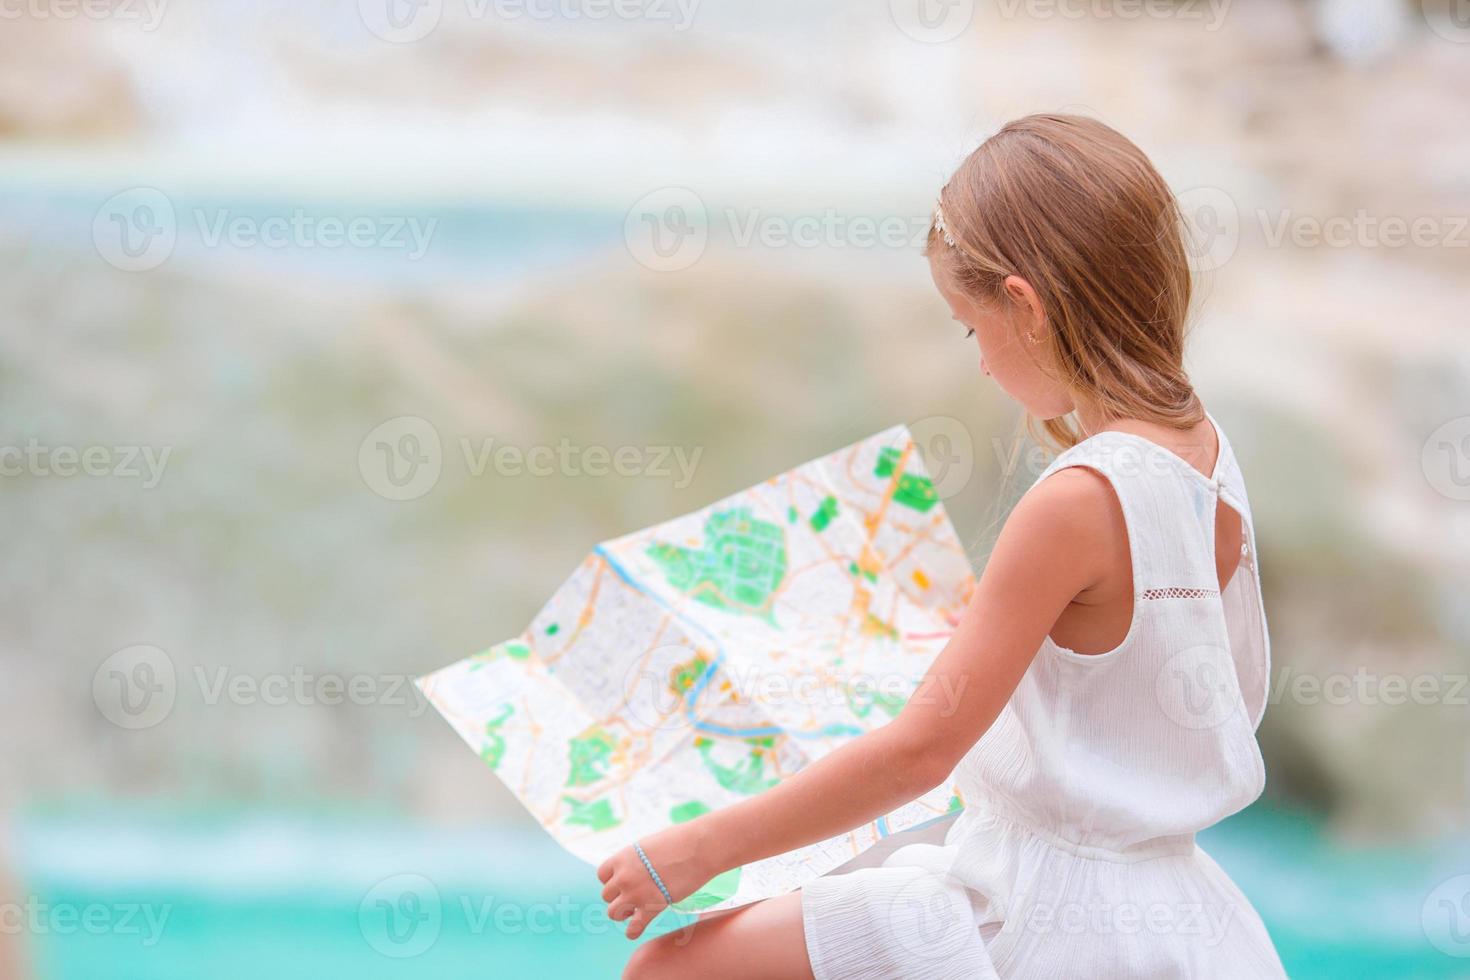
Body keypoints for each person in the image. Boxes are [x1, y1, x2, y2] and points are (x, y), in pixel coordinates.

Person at [599, 113, 1287, 979]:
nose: (981, 363)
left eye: (970, 326)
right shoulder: (1208, 454)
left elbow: (921, 755)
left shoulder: (1077, 499)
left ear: (1025, 306)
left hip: (1032, 905)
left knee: (672, 968)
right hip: (1170, 909)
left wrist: (698, 849)